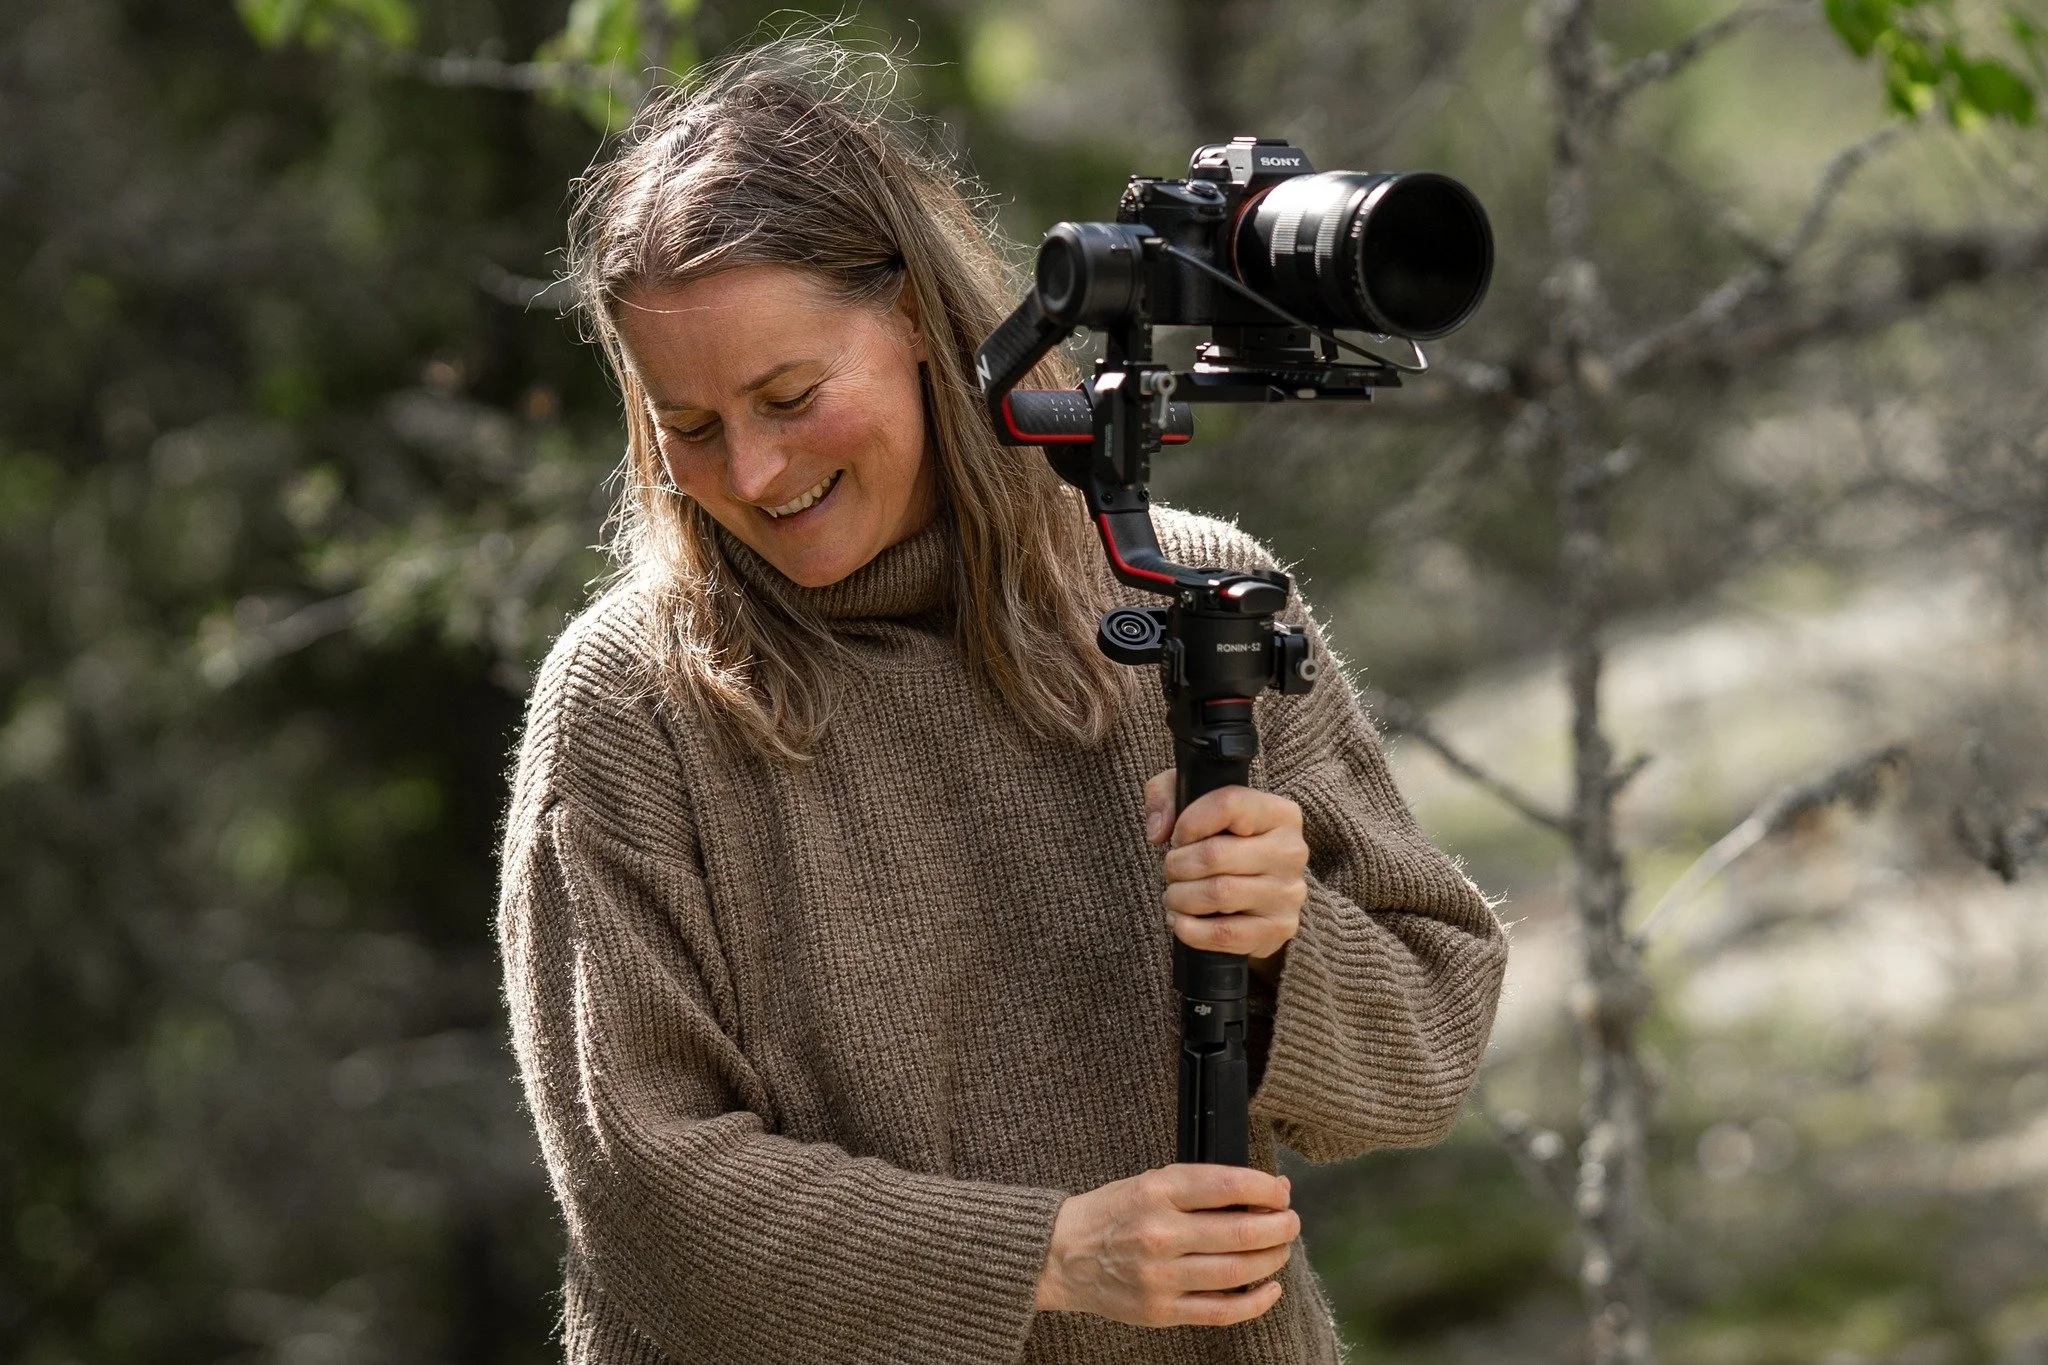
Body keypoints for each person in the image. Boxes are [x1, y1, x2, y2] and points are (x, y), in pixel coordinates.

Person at [496, 36, 1507, 1365]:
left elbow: (1429, 1046)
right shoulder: (635, 705)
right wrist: (1050, 1257)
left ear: (916, 317)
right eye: (687, 426)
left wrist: (1283, 941)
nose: (750, 469)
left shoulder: (1199, 604)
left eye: (790, 395)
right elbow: (645, 1189)